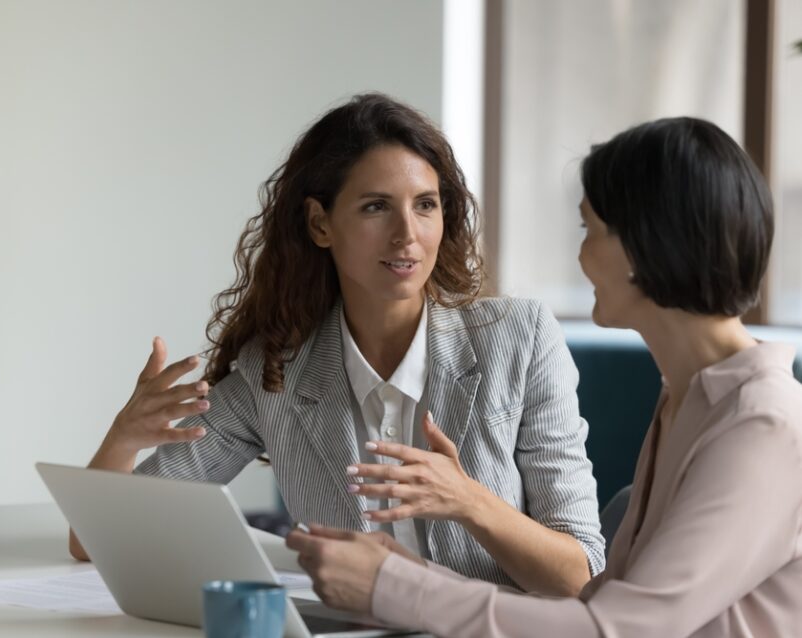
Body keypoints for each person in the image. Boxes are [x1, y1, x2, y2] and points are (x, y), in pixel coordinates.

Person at [69, 92, 605, 595]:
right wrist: (123, 437)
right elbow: (94, 541)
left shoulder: (520, 339)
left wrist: (471, 504)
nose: (407, 234)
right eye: (376, 207)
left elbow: (582, 576)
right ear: (320, 223)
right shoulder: (274, 372)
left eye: (425, 205)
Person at [286, 116, 802, 637]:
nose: (581, 255)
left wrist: (392, 586)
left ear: (646, 247)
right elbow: (604, 601)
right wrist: (408, 574)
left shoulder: (763, 424)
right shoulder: (687, 400)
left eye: (589, 230)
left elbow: (618, 629)